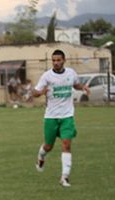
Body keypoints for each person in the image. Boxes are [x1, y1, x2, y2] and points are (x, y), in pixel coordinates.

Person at [32, 49, 89, 187]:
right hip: (51, 117)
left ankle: (64, 177)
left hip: (67, 116)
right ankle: (40, 157)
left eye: (58, 60)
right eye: (54, 60)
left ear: (64, 60)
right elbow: (34, 93)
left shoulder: (71, 73)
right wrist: (41, 92)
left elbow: (75, 84)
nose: (56, 63)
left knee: (66, 144)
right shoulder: (47, 76)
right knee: (48, 146)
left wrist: (83, 87)